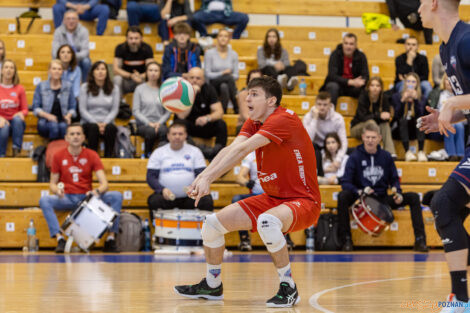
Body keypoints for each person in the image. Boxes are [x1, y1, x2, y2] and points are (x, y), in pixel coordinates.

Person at [173, 76, 321, 307]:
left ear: (271, 100)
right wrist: (202, 178)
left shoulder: (283, 119)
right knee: (212, 225)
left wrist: (209, 178)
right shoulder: (254, 122)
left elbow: (243, 150)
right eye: (247, 93)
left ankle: (288, 286)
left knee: (267, 222)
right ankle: (212, 285)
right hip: (273, 198)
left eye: (254, 94)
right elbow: (231, 149)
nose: (247, 98)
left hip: (303, 201)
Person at [418, 0, 470, 308]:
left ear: (436, 3)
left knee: (444, 203)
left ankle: (461, 300)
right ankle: (460, 299)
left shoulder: (466, 41)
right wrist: (447, 114)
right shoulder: (444, 49)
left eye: (423, 1)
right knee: (446, 210)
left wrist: (452, 104)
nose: (419, 7)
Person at [337, 122, 428, 252]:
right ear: (363, 137)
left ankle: (420, 240)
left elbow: (395, 179)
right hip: (362, 198)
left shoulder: (386, 157)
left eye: (373, 137)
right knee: (343, 196)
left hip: (381, 199)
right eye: (367, 137)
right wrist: (360, 191)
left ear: (379, 138)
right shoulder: (355, 156)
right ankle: (346, 240)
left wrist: (398, 192)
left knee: (413, 197)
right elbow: (345, 182)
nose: (370, 140)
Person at [39, 123, 122, 253]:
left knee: (116, 196)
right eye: (72, 134)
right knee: (44, 200)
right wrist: (57, 190)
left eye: (78, 134)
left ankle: (110, 239)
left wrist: (96, 191)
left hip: (87, 198)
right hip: (67, 197)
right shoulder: (58, 156)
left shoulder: (92, 155)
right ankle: (60, 238)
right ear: (66, 138)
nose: (75, 137)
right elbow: (52, 184)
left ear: (84, 137)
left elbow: (105, 184)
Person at [146, 121, 213, 220]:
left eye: (180, 134)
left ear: (185, 135)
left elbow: (201, 174)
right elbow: (150, 177)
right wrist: (162, 189)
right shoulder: (158, 152)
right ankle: (158, 232)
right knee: (154, 201)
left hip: (190, 195)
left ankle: (203, 233)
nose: (177, 136)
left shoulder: (195, 151)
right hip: (166, 197)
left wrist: (193, 187)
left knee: (206, 200)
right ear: (168, 136)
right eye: (174, 134)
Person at [232, 151, 296, 251]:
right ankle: (245, 240)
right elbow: (239, 177)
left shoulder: (276, 153)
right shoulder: (250, 156)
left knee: (287, 200)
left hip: (273, 194)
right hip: (255, 195)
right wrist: (247, 183)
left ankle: (286, 238)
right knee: (236, 200)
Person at [174, 67, 227, 160]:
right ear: (187, 79)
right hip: (187, 126)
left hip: (203, 124)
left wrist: (207, 118)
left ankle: (219, 156)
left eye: (198, 78)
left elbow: (219, 112)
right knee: (179, 124)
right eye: (192, 78)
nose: (194, 80)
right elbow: (182, 116)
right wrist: (192, 94)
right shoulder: (180, 89)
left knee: (221, 124)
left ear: (203, 81)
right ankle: (200, 152)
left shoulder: (209, 89)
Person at [302, 91, 348, 178]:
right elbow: (308, 140)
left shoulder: (337, 118)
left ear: (330, 105)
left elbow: (343, 141)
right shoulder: (308, 117)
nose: (322, 107)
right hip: (317, 147)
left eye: (325, 104)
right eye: (319, 104)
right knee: (312, 148)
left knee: (353, 152)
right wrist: (315, 119)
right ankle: (315, 177)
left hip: (333, 146)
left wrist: (338, 160)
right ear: (315, 104)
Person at [80, 61, 119, 157]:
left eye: (103, 69)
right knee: (93, 128)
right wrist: (96, 123)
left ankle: (109, 158)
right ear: (93, 72)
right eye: (97, 69)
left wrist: (105, 123)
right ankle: (92, 157)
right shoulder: (85, 87)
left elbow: (114, 110)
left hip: (107, 122)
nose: (100, 72)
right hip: (89, 123)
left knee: (111, 128)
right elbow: (82, 110)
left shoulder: (114, 88)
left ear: (107, 72)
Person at [350, 77, 396, 156]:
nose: (375, 88)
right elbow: (362, 117)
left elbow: (385, 118)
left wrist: (387, 116)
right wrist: (379, 115)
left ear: (381, 88)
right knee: (371, 123)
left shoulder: (384, 98)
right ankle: (376, 150)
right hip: (357, 127)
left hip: (376, 128)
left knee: (384, 125)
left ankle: (390, 153)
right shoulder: (364, 96)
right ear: (368, 87)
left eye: (377, 86)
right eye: (372, 85)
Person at [320, 33, 370, 105]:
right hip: (338, 85)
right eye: (346, 43)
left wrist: (361, 82)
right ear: (342, 44)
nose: (348, 46)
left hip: (354, 87)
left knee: (366, 89)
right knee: (332, 86)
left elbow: (366, 75)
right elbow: (332, 75)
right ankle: (330, 114)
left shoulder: (361, 56)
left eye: (351, 44)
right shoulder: (335, 54)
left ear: (355, 46)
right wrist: (350, 82)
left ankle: (362, 115)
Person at [133, 61, 170, 158]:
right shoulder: (139, 89)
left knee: (164, 131)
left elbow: (168, 110)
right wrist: (148, 123)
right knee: (150, 131)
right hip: (143, 124)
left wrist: (159, 123)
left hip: (160, 123)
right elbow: (136, 111)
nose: (153, 73)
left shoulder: (165, 89)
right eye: (150, 70)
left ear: (160, 73)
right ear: (146, 72)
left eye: (156, 70)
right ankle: (147, 155)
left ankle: (163, 157)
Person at [32, 60, 76, 140]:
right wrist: (48, 116)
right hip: (45, 122)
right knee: (54, 126)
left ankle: (62, 151)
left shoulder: (68, 86)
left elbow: (72, 107)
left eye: (59, 69)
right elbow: (36, 108)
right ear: (49, 71)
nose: (57, 71)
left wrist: (69, 116)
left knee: (63, 127)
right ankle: (52, 151)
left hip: (62, 120)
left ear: (62, 71)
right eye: (54, 69)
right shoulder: (41, 86)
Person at [391, 72, 427, 161]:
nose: (410, 84)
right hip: (400, 130)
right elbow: (396, 116)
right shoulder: (396, 96)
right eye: (409, 81)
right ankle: (407, 152)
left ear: (417, 84)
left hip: (415, 130)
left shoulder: (422, 98)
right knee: (403, 120)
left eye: (413, 82)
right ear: (405, 83)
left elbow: (421, 114)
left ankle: (421, 152)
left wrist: (416, 100)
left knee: (420, 120)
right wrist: (403, 100)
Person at [427, 74, 465, 161]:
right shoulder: (438, 94)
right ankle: (451, 154)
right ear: (443, 82)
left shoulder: (460, 96)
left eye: (452, 81)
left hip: (458, 123)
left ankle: (460, 154)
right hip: (439, 124)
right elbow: (433, 112)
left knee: (458, 125)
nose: (450, 83)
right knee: (451, 125)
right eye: (447, 80)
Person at [204, 29, 239, 113]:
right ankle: (236, 106)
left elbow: (236, 76)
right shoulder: (209, 53)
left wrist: (227, 76)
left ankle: (223, 111)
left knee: (224, 86)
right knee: (228, 77)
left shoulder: (234, 54)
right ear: (217, 38)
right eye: (221, 36)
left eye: (225, 36)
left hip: (227, 84)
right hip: (212, 84)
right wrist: (222, 73)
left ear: (229, 39)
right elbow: (207, 74)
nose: (223, 38)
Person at [113, 26, 154, 96]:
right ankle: (120, 105)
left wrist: (140, 77)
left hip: (142, 80)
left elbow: (151, 69)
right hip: (126, 80)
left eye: (136, 38)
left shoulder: (147, 48)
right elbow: (116, 70)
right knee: (117, 79)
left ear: (141, 38)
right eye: (131, 38)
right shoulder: (120, 48)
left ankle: (146, 105)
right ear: (126, 38)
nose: (133, 41)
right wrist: (131, 76)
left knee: (151, 78)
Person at [52, 10, 91, 81]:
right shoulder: (58, 31)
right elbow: (55, 52)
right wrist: (65, 57)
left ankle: (85, 84)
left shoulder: (84, 31)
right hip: (63, 59)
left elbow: (85, 52)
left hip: (78, 59)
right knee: (54, 62)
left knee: (86, 62)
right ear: (64, 21)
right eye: (68, 19)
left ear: (78, 21)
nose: (71, 21)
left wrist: (71, 56)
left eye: (73, 19)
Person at [0, 60, 27, 157]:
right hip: (2, 122)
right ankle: (1, 155)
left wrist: (21, 113)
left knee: (17, 120)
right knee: (4, 128)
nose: (8, 70)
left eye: (11, 68)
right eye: (6, 67)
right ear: (2, 71)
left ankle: (16, 151)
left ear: (14, 72)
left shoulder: (19, 88)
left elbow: (25, 109)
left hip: (15, 124)